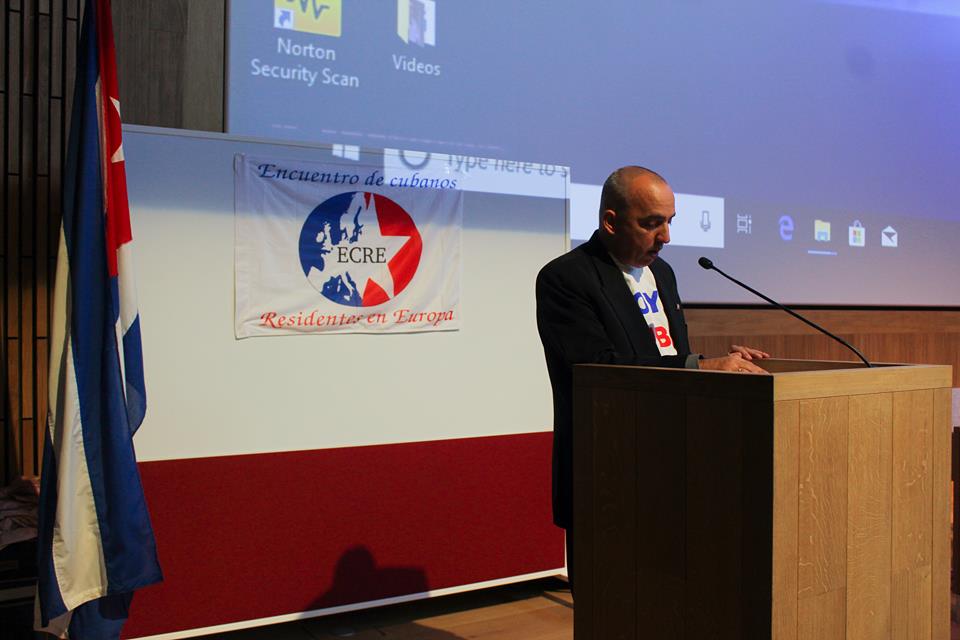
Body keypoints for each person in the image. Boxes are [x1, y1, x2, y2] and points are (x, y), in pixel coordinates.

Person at [535, 166, 769, 589]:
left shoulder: (663, 274)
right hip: (608, 465)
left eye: (670, 222)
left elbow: (666, 355)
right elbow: (597, 367)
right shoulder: (566, 277)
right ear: (610, 221)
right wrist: (700, 365)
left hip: (675, 459)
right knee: (611, 597)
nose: (666, 237)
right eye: (651, 223)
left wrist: (717, 364)